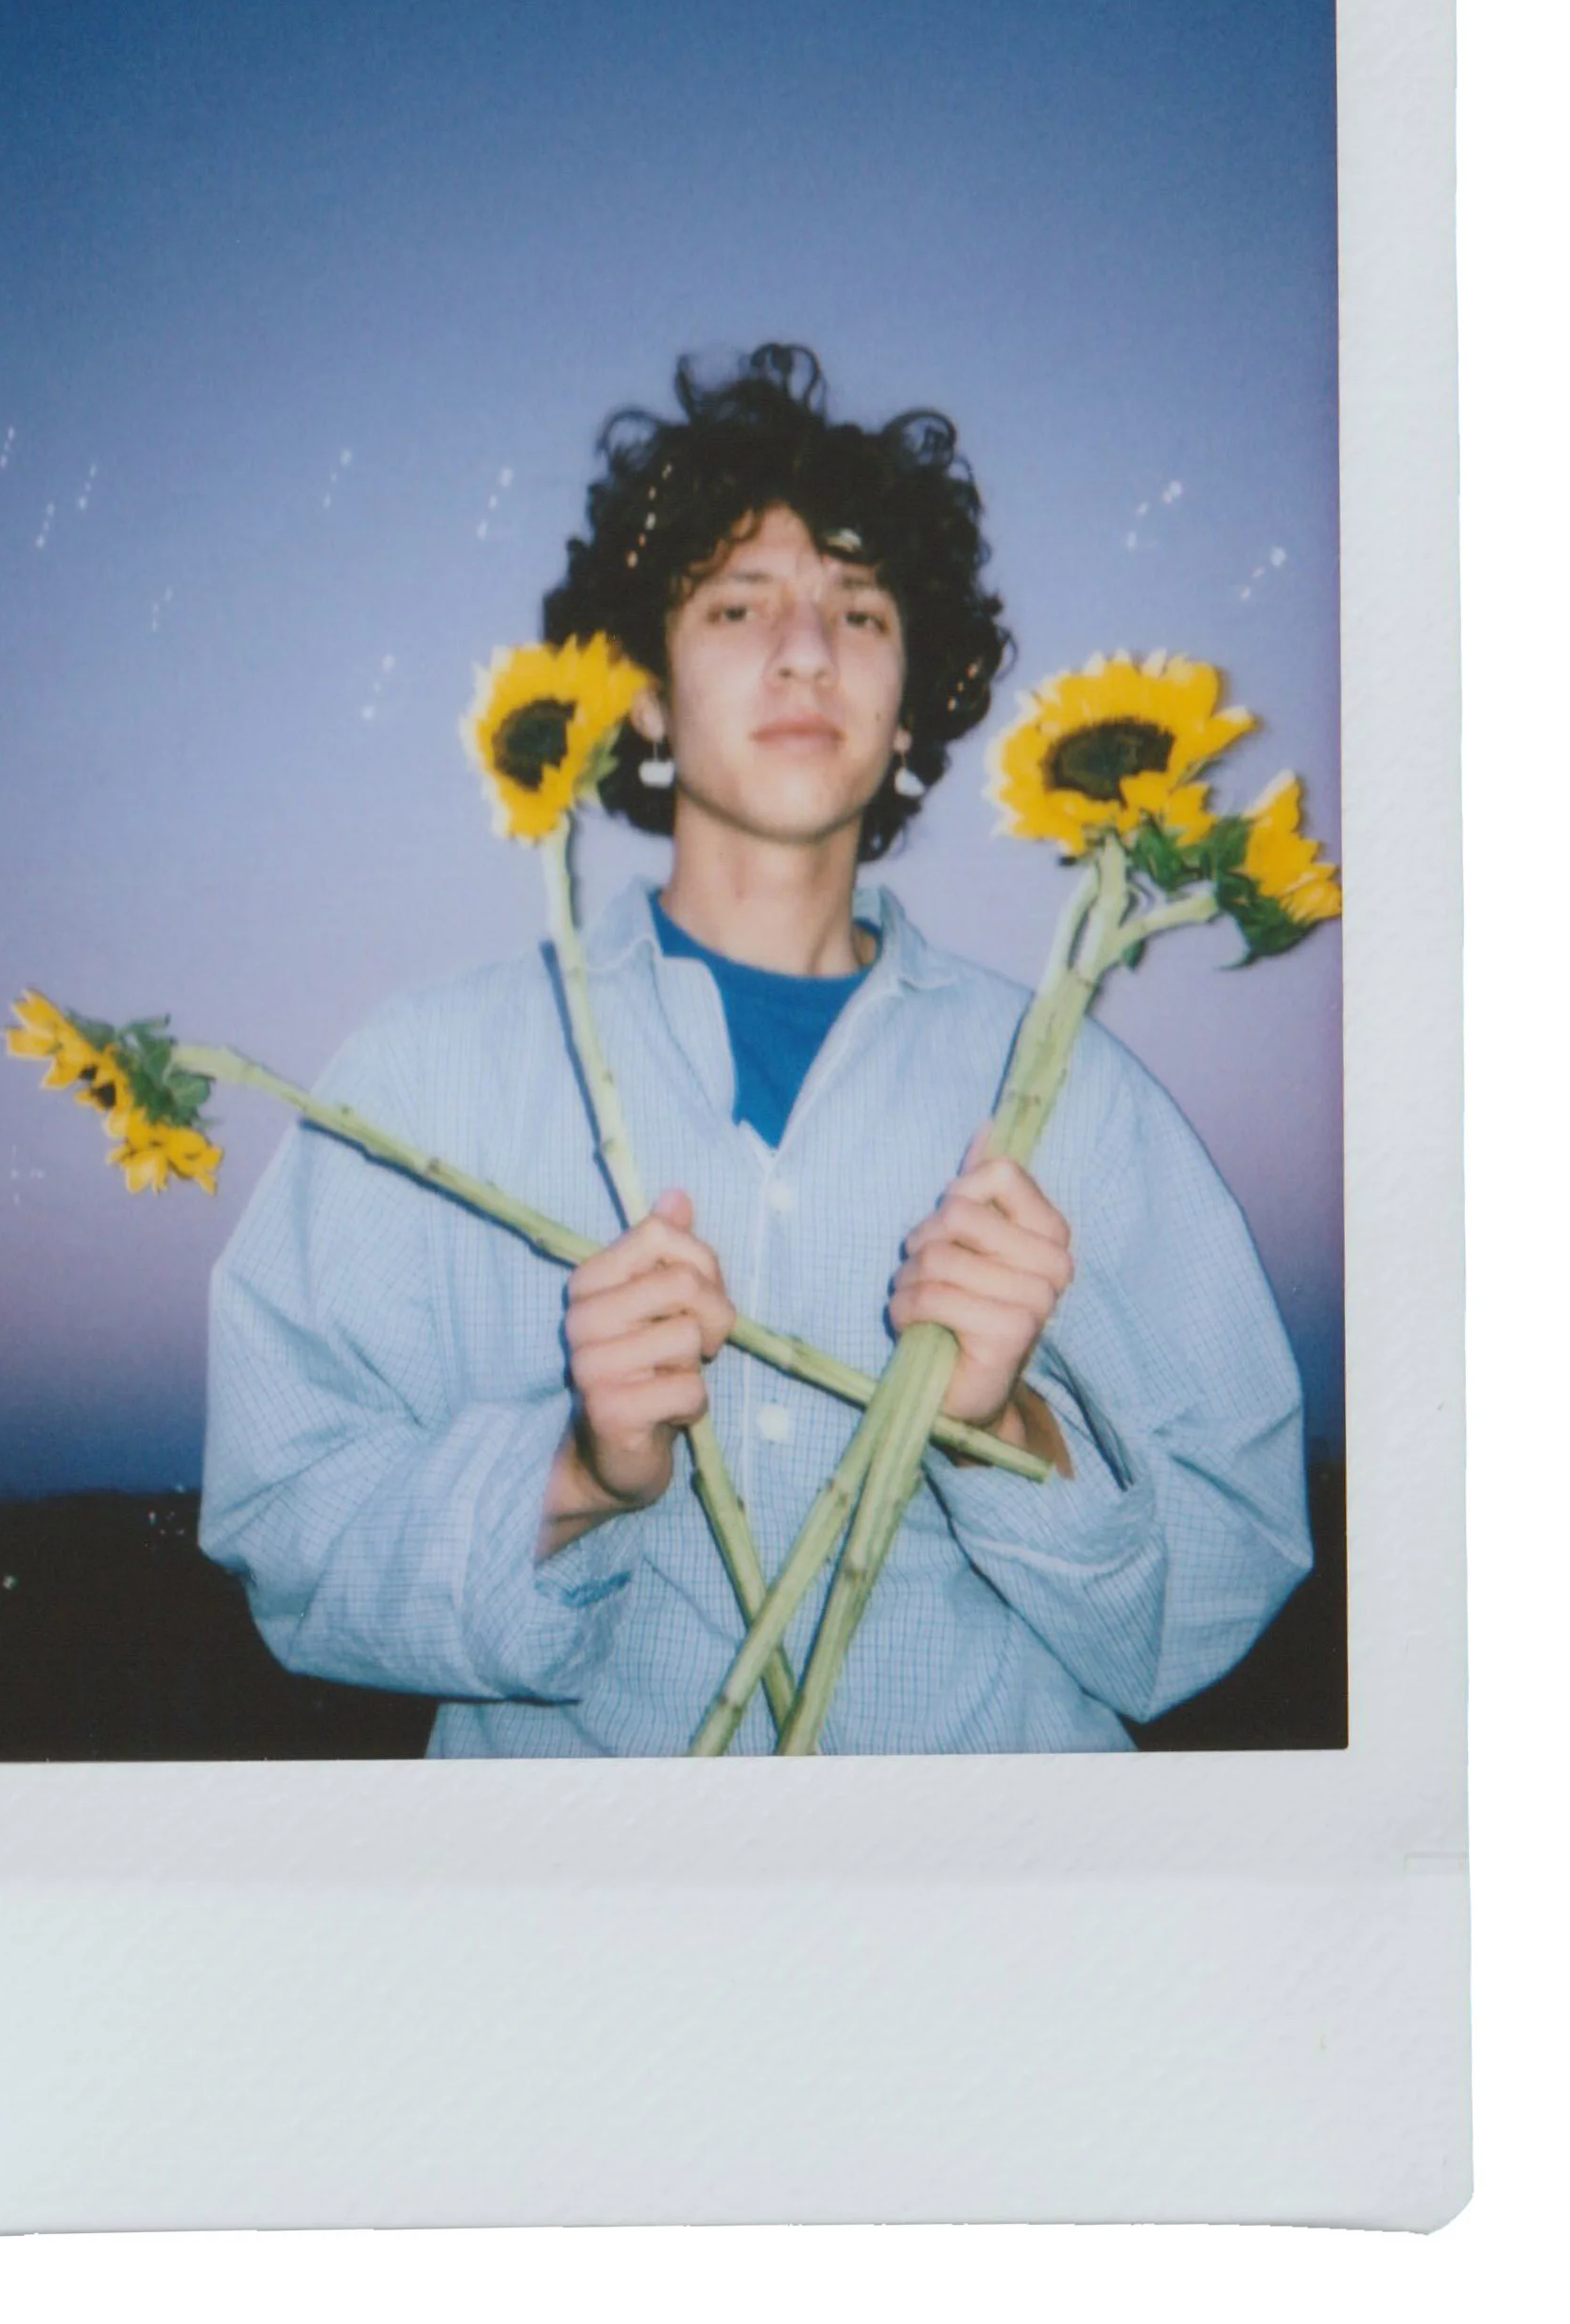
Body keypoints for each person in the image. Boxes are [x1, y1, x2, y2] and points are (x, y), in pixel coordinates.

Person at [201, 345, 1311, 1754]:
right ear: (644, 697)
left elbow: (1235, 1564)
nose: (806, 649)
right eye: (737, 605)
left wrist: (1008, 1431)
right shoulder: (423, 1082)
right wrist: (574, 1474)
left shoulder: (1078, 1094)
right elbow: (282, 1528)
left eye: (862, 610)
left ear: (908, 708)